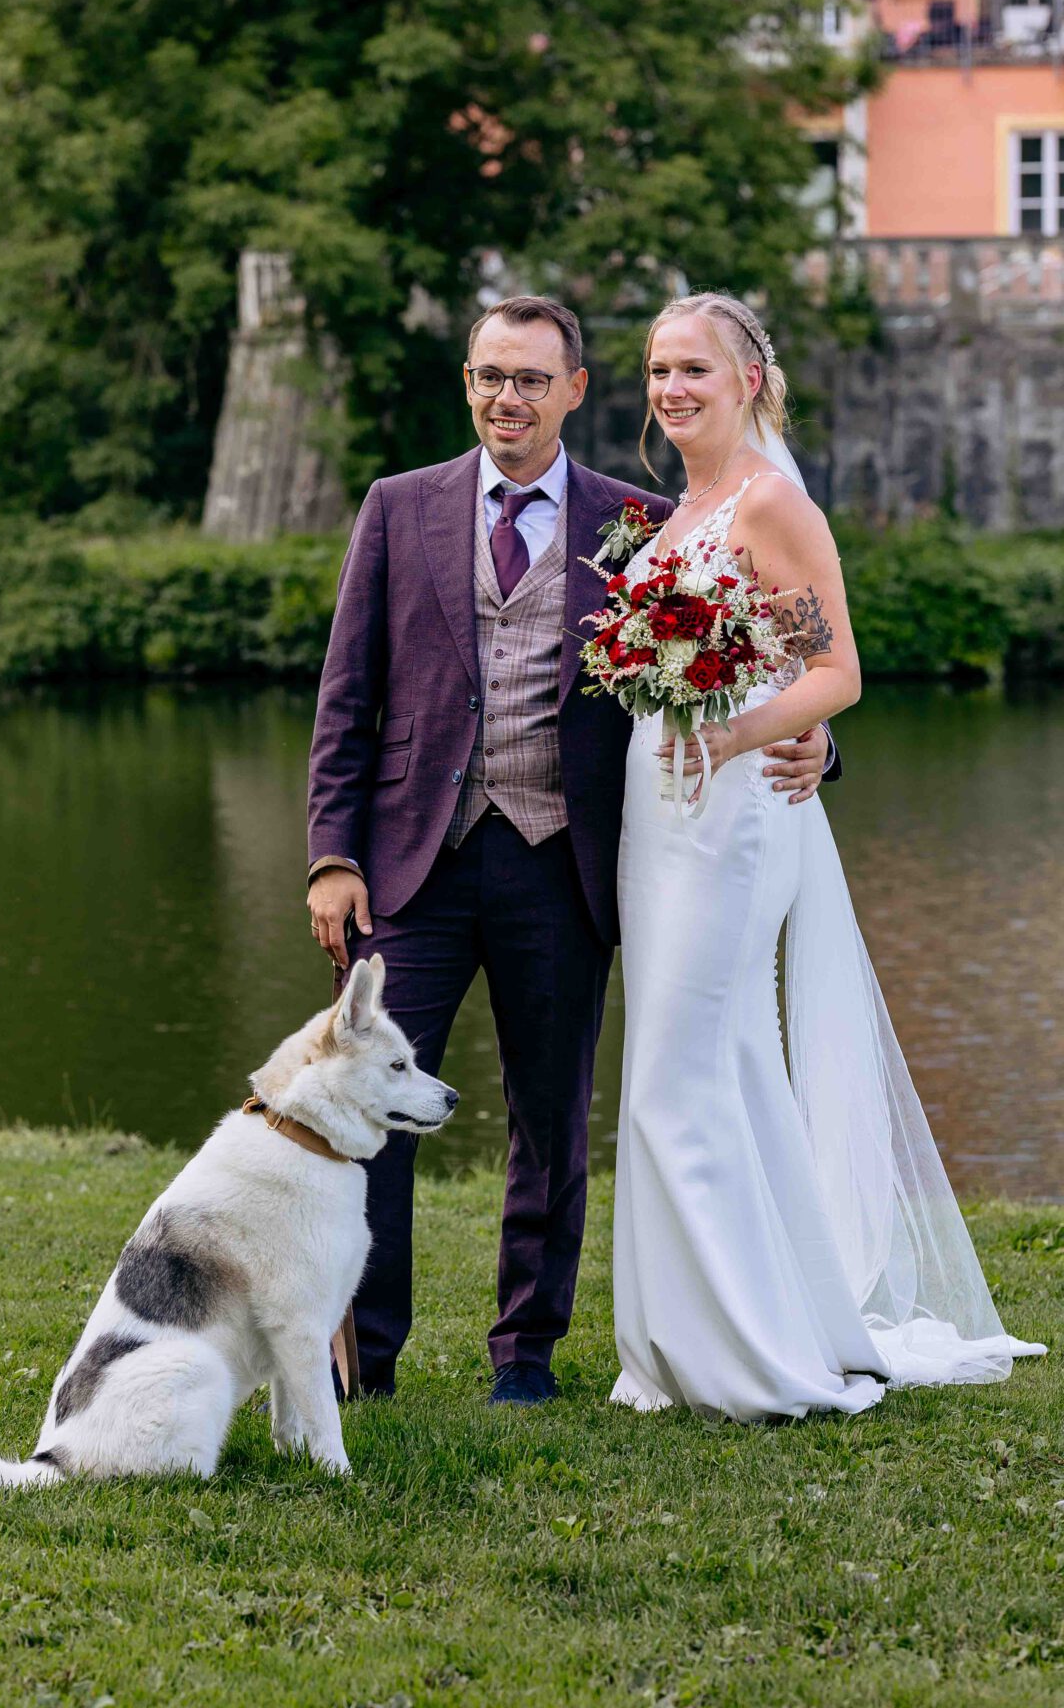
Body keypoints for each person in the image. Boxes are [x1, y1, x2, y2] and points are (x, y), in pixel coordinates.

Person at [305, 296, 836, 1405]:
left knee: (551, 1119)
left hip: (566, 864)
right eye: (491, 376)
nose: (509, 397)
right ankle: (368, 1355)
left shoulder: (644, 521)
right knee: (370, 1107)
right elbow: (346, 695)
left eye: (532, 380)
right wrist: (331, 856)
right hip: (414, 861)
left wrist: (814, 736)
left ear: (574, 391)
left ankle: (524, 1356)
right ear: (466, 383)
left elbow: (787, 645)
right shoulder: (398, 509)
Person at [610, 292, 1044, 1419]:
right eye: (658, 371)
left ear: (748, 378)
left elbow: (829, 670)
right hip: (656, 813)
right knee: (727, 1062)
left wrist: (740, 733)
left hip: (731, 811)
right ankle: (703, 1326)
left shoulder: (769, 505)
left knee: (677, 1068)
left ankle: (744, 1351)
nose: (671, 390)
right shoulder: (675, 511)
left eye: (693, 370)